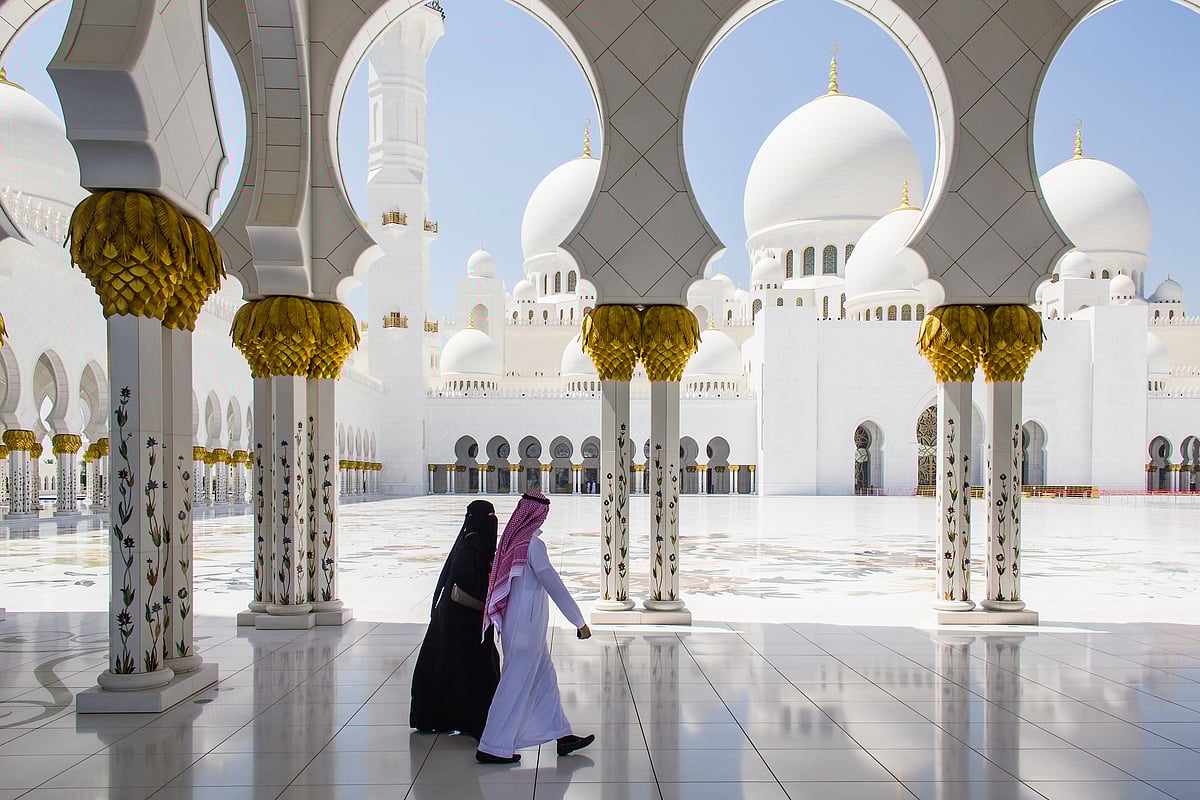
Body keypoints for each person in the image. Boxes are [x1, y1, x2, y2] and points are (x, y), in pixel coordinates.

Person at [475, 491, 595, 764]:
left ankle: (562, 735)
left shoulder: (513, 541)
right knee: (513, 686)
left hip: (520, 629)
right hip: (525, 632)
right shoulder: (531, 545)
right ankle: (492, 746)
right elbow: (552, 583)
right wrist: (579, 621)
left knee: (545, 682)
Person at [410, 500, 501, 740]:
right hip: (461, 618)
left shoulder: (472, 539)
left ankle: (467, 718)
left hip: (464, 617)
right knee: (471, 668)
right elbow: (466, 579)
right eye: (490, 517)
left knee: (458, 666)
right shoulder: (471, 543)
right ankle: (475, 721)